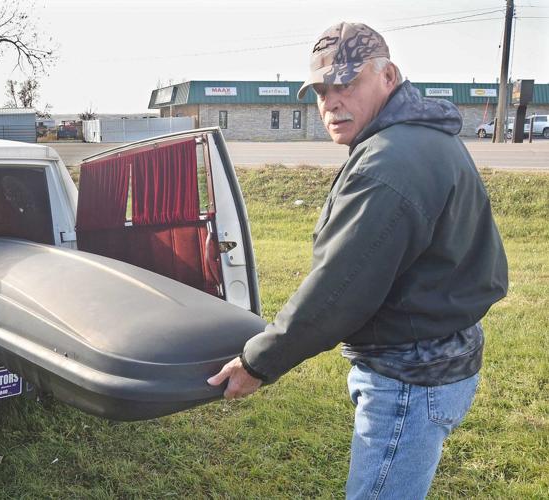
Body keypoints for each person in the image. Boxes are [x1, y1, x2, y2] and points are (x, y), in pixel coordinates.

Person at [207, 22, 508, 499]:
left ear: (388, 76)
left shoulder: (388, 163)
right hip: (443, 352)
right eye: (323, 90)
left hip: (410, 375)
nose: (332, 101)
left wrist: (257, 362)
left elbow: (338, 292)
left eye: (347, 83)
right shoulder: (424, 137)